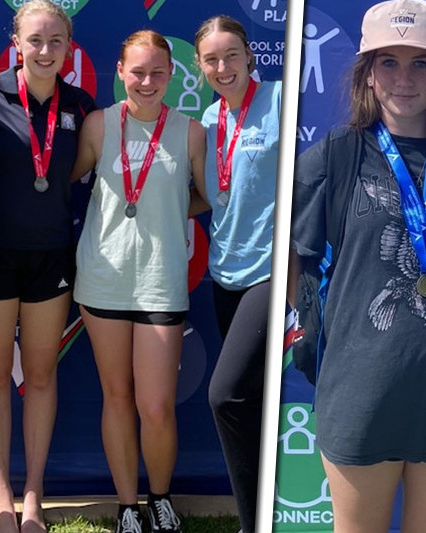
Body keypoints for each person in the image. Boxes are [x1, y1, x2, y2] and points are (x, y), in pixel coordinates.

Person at [288, 0, 426, 531]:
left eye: (420, 63)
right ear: (366, 72)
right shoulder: (333, 157)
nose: (403, 79)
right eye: (388, 62)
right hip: (361, 390)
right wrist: (324, 340)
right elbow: (296, 270)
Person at [0, 1, 96, 531]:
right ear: (16, 43)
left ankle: (35, 494)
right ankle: (1, 497)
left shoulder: (81, 105)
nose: (45, 51)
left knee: (40, 377)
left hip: (51, 260)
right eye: (35, 41)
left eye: (56, 42)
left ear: (69, 47)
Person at [72, 30, 205, 533]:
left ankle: (160, 499)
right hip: (102, 280)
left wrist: (169, 211)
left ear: (172, 75)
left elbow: (210, 193)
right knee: (117, 397)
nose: (147, 82)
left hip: (160, 281)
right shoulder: (98, 125)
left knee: (155, 405)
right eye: (137, 71)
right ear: (121, 73)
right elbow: (72, 184)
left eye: (157, 72)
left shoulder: (191, 132)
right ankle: (128, 506)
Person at [193, 15, 281, 533]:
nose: (222, 67)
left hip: (273, 274)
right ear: (200, 66)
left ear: (250, 55)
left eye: (231, 55)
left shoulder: (282, 103)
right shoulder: (206, 121)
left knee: (224, 396)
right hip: (225, 272)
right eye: (211, 59)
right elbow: (210, 194)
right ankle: (264, 516)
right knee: (248, 405)